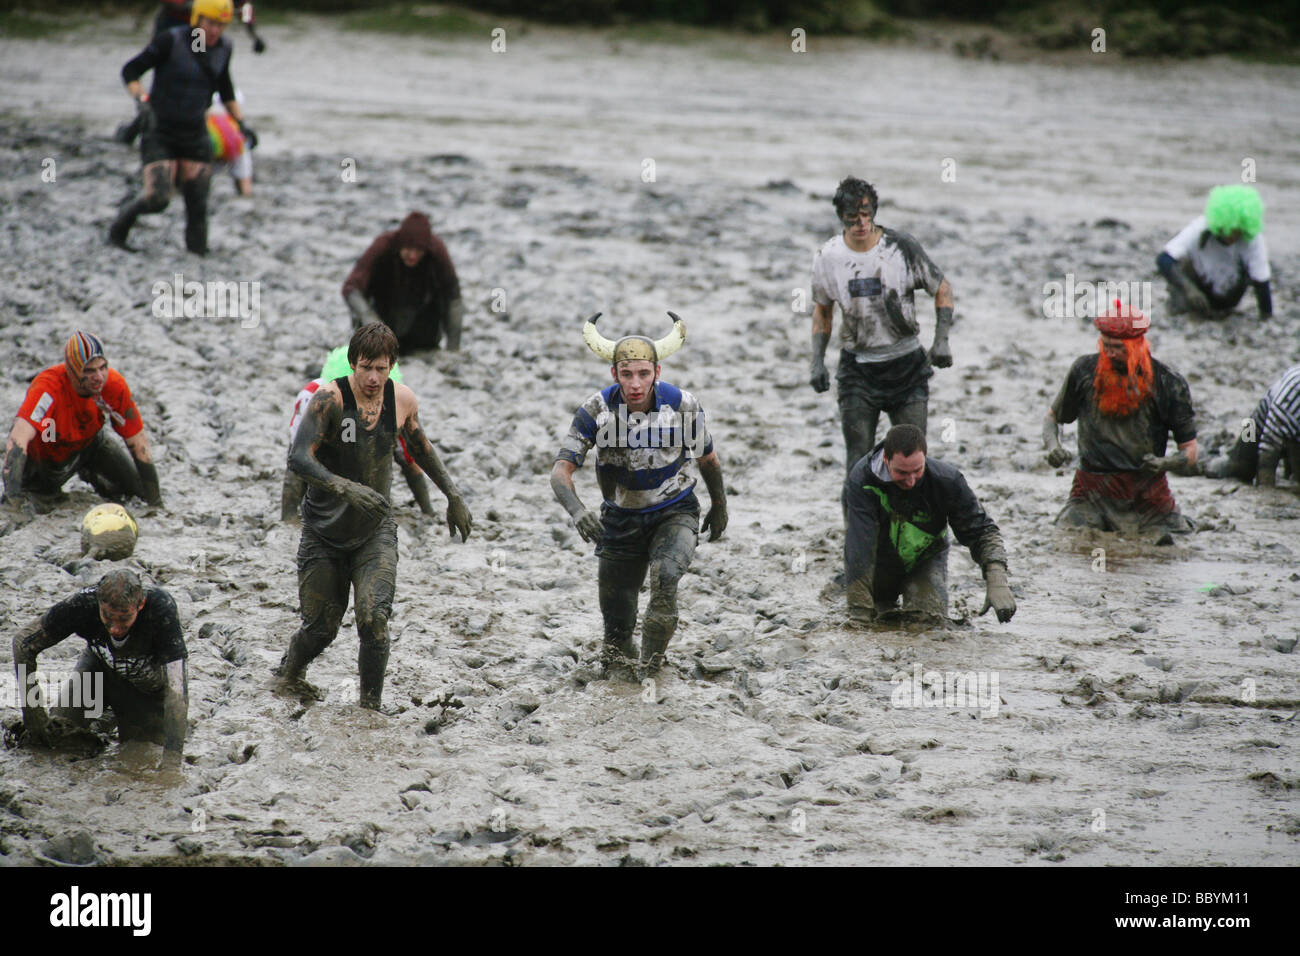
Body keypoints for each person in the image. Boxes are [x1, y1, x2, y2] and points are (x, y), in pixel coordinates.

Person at [273, 323, 473, 711]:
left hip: (374, 532)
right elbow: (298, 458)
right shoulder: (329, 399)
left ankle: (370, 708)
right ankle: (289, 675)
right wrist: (345, 487)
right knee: (321, 630)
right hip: (324, 532)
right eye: (366, 367)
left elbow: (421, 448)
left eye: (381, 369)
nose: (372, 378)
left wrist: (453, 495)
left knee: (374, 619)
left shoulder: (402, 401)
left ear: (391, 367)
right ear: (352, 364)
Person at [550, 313, 728, 676]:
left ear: (657, 374)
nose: (635, 384)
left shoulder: (682, 405)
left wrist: (720, 506)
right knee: (615, 636)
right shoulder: (595, 410)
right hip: (620, 518)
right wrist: (577, 510)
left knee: (664, 581)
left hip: (675, 510)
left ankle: (651, 670)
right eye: (627, 374)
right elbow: (560, 472)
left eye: (643, 374)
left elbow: (708, 460)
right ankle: (625, 679)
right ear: (614, 374)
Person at [809, 177, 955, 478]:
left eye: (866, 214)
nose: (861, 222)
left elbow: (942, 288)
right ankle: (858, 526)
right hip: (858, 370)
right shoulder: (828, 257)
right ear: (841, 216)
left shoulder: (901, 248)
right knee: (858, 463)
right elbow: (823, 311)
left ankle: (911, 522)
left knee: (913, 458)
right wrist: (817, 361)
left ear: (874, 211)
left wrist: (941, 340)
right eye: (853, 216)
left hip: (907, 367)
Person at [109, 0, 257, 254]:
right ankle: (120, 226)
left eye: (221, 25)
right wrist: (142, 101)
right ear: (197, 20)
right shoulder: (170, 41)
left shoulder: (224, 48)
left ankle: (198, 258)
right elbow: (131, 70)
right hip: (160, 129)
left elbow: (226, 88)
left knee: (197, 202)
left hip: (195, 132)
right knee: (158, 198)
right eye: (210, 23)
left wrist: (241, 124)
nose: (214, 31)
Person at [1043, 302, 1198, 534]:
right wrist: (1053, 446)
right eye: (1105, 346)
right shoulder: (1083, 371)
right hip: (1091, 492)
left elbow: (1191, 452)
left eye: (1118, 347)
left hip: (1147, 494)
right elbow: (1052, 418)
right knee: (1068, 535)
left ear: (1139, 345)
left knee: (1176, 542)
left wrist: (1165, 463)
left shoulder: (1168, 382)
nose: (1110, 353)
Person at [11, 569, 188, 769]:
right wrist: (34, 716)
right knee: (57, 738)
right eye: (107, 617)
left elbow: (177, 692)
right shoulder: (82, 604)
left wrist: (172, 763)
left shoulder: (160, 608)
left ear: (140, 606)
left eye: (124, 618)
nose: (114, 628)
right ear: (98, 604)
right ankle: (103, 721)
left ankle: (114, 716)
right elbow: (23, 644)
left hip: (145, 689)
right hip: (97, 672)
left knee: (140, 756)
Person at [844, 424, 1014, 625]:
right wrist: (859, 614)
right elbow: (859, 547)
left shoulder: (947, 480)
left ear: (925, 457)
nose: (910, 481)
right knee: (879, 619)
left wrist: (996, 578)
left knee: (928, 624)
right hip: (880, 563)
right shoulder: (862, 481)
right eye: (901, 472)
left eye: (917, 470)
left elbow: (982, 530)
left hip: (926, 559)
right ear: (885, 460)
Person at [3, 332, 162, 507]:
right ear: (72, 370)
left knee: (138, 493)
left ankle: (93, 475)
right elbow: (18, 438)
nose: (99, 377)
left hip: (91, 447)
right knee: (29, 508)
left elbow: (138, 443)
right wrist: (13, 501)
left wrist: (155, 503)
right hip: (45, 465)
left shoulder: (113, 384)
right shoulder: (48, 388)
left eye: (103, 367)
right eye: (89, 370)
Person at [281, 346, 433, 520]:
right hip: (327, 451)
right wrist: (289, 518)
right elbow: (297, 457)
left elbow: (409, 460)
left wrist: (428, 513)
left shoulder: (393, 402)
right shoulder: (313, 396)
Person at [342, 212, 465, 353]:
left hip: (422, 332)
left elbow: (454, 299)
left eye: (418, 250)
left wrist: (453, 349)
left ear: (426, 249)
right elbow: (351, 288)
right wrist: (372, 322)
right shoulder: (382, 246)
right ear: (400, 244)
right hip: (382, 320)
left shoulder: (437, 251)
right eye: (408, 249)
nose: (412, 255)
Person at [1157, 184, 1272, 320]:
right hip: (1197, 290)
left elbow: (1262, 282)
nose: (1232, 237)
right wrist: (1189, 289)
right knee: (1181, 266)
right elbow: (1164, 259)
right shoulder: (1200, 227)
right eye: (1228, 231)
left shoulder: (1252, 239)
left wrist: (1266, 317)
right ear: (1219, 224)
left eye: (1237, 232)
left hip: (1229, 296)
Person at [1202, 364, 1300, 488]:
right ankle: (1203, 459)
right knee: (1237, 466)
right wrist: (1266, 491)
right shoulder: (1294, 390)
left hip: (1293, 434)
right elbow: (1269, 447)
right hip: (1256, 423)